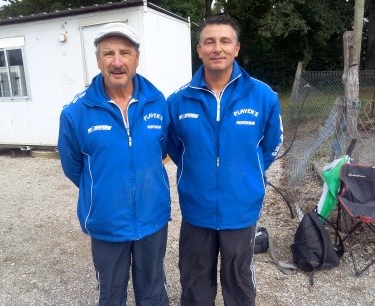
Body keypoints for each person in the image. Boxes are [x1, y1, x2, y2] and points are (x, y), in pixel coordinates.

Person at [167, 14, 283, 306]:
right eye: (209, 41)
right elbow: (176, 149)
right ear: (199, 50)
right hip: (197, 210)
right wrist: (200, 173)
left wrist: (245, 174)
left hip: (241, 210)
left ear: (236, 48)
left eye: (224, 41)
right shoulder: (178, 100)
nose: (217, 48)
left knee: (240, 284)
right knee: (194, 284)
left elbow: (270, 146)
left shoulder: (263, 96)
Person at [58, 22, 170, 305]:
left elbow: (164, 149)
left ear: (136, 59)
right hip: (107, 223)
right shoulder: (76, 112)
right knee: (111, 295)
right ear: (98, 60)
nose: (117, 62)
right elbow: (73, 166)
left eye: (125, 52)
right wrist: (104, 191)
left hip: (152, 219)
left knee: (154, 291)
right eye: (108, 54)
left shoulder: (158, 103)